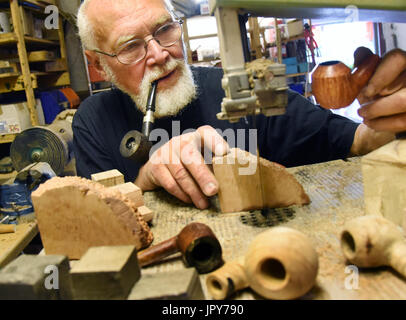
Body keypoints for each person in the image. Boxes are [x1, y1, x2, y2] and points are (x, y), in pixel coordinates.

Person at [73, 0, 406, 210]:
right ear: (99, 65)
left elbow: (359, 141)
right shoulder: (93, 121)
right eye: (131, 46)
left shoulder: (242, 93)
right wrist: (147, 177)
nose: (160, 53)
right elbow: (98, 223)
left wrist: (389, 113)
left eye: (164, 29)